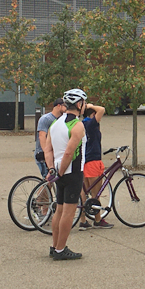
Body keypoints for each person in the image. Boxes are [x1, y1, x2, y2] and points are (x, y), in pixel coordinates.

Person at [44, 88, 88, 260]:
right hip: (72, 172)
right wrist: (61, 172)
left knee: (59, 210)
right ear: (79, 104)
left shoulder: (55, 123)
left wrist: (52, 170)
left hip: (58, 171)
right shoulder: (77, 125)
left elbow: (48, 149)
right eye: (84, 102)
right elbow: (69, 153)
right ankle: (61, 250)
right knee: (68, 213)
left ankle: (55, 246)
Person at [78, 103, 113, 230]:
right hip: (93, 160)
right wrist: (89, 105)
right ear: (92, 115)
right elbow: (102, 110)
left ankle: (82, 220)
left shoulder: (81, 124)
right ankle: (97, 220)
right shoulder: (90, 124)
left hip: (85, 160)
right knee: (95, 193)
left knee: (84, 191)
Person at [35, 98, 66, 179]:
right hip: (43, 154)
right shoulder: (46, 119)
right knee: (48, 181)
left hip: (54, 154)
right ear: (59, 106)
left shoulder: (61, 120)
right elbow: (42, 136)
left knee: (53, 180)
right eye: (65, 106)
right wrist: (47, 154)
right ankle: (39, 191)